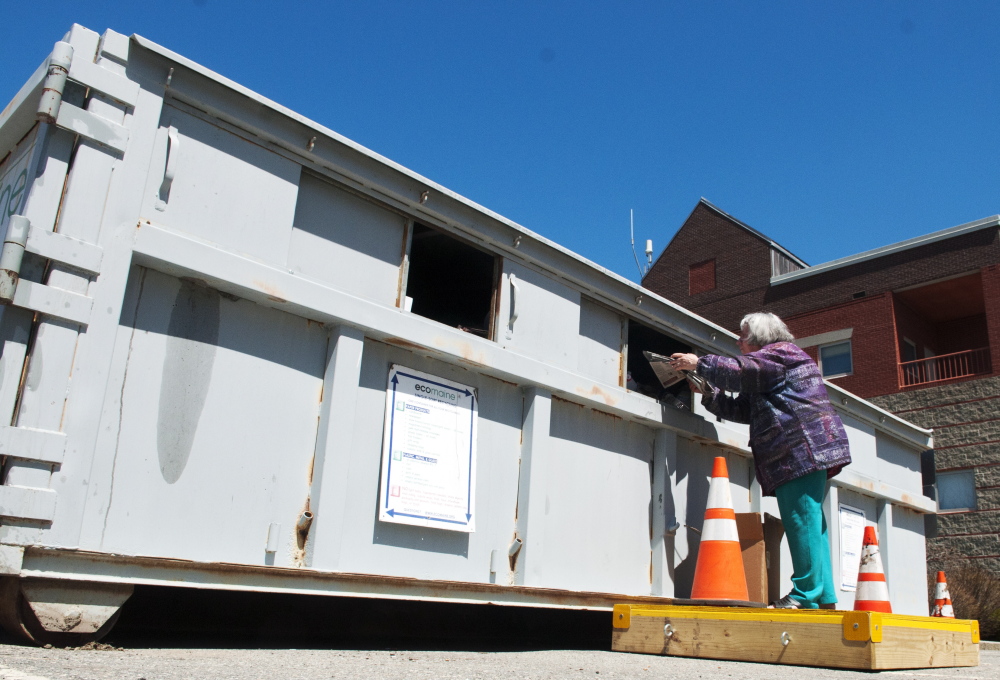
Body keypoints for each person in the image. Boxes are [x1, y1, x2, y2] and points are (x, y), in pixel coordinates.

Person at [669, 312, 851, 610]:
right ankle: (824, 597)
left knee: (801, 521)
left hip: (799, 449)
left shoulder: (778, 356)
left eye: (742, 336)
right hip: (808, 449)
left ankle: (804, 596)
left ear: (758, 339)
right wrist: (709, 391)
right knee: (811, 524)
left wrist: (699, 363)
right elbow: (744, 410)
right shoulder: (774, 366)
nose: (737, 341)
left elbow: (741, 371)